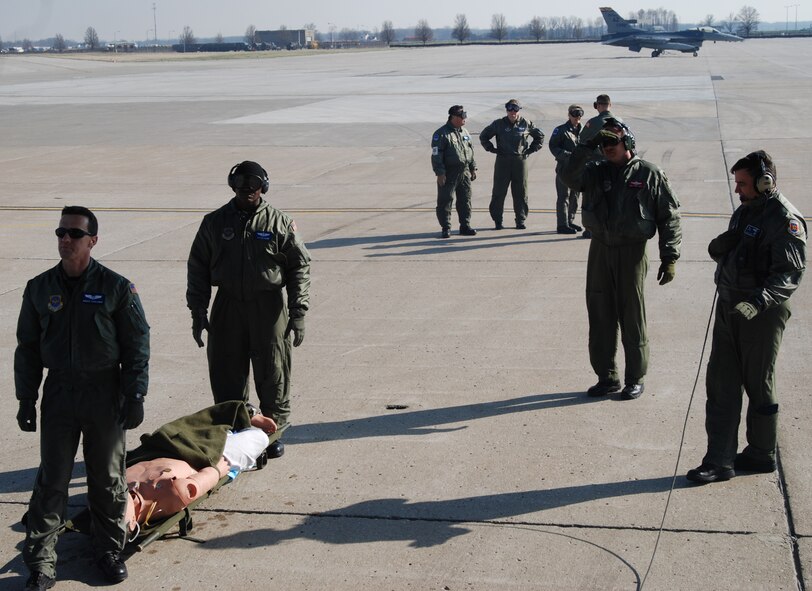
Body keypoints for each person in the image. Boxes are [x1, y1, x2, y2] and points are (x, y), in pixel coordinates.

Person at [15, 206, 150, 590]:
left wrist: (135, 392)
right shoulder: (40, 288)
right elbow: (26, 348)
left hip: (104, 392)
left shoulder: (116, 287)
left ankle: (108, 550)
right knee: (52, 480)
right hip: (59, 393)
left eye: (74, 234)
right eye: (61, 232)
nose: (65, 239)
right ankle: (41, 562)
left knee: (106, 479)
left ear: (92, 241)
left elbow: (137, 343)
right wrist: (26, 399)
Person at [686, 151, 806, 484]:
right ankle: (720, 460)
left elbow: (789, 273)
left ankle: (761, 453)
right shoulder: (746, 211)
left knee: (758, 382)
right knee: (722, 383)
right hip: (731, 308)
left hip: (761, 313)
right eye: (736, 182)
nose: (737, 189)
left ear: (765, 181)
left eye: (742, 183)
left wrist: (759, 301)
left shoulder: (785, 219)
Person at [186, 160, 311, 460]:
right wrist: (198, 311)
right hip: (227, 304)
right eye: (241, 187)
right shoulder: (214, 223)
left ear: (263, 187)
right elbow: (198, 268)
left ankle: (272, 431)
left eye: (253, 187)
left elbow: (299, 266)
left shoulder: (279, 222)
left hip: (268, 306)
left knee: (273, 370)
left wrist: (298, 311)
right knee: (227, 370)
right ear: (233, 187)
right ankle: (238, 430)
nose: (247, 192)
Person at [561, 120, 681, 400]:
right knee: (600, 313)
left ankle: (635, 377)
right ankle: (607, 376)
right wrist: (584, 147)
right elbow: (569, 177)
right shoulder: (593, 171)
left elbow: (669, 217)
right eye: (603, 144)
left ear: (627, 143)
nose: (607, 149)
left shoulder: (649, 173)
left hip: (632, 252)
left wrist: (670, 256)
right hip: (600, 249)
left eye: (612, 143)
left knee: (632, 315)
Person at [124, 401, 277, 531]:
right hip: (200, 457)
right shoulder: (168, 495)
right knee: (258, 437)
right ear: (131, 523)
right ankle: (239, 423)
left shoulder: (107, 488)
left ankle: (242, 414)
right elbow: (192, 488)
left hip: (164, 446)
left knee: (197, 424)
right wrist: (215, 472)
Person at [479, 99, 545, 230]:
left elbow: (540, 136)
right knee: (499, 191)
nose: (512, 112)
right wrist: (491, 149)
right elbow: (484, 136)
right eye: (510, 109)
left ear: (519, 110)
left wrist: (531, 149)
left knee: (521, 191)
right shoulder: (498, 124)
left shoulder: (526, 123)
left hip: (519, 161)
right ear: (506, 110)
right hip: (502, 161)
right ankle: (498, 220)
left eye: (515, 109)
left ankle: (520, 220)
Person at [431, 105, 478, 238]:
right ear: (454, 117)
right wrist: (440, 173)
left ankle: (465, 225)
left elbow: (470, 151)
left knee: (465, 200)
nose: (465, 118)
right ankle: (446, 227)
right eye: (462, 116)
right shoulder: (441, 134)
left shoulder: (465, 132)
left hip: (464, 172)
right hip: (449, 172)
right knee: (445, 200)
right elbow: (436, 155)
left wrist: (472, 167)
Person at [548, 104, 584, 235]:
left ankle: (570, 220)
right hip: (564, 168)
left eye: (579, 114)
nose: (577, 117)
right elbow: (553, 146)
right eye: (574, 114)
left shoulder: (584, 130)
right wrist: (567, 155)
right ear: (569, 115)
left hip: (578, 170)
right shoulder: (561, 130)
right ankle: (562, 224)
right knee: (564, 196)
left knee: (575, 196)